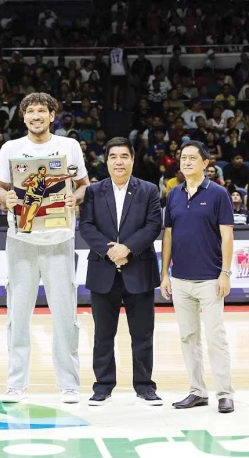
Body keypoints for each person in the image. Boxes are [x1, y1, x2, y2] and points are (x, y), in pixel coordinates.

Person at [0, 92, 90, 403]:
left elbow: (84, 184)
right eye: (30, 111)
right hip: (20, 239)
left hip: (60, 238)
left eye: (41, 111)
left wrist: (76, 198)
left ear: (52, 115)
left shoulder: (69, 146)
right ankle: (16, 383)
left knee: (65, 315)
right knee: (17, 315)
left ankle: (69, 384)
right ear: (23, 117)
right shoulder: (11, 148)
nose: (36, 116)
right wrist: (3, 198)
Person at [79, 137, 163, 406]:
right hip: (103, 271)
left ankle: (144, 385)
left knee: (142, 334)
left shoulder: (149, 190)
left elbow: (153, 226)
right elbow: (87, 226)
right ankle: (103, 385)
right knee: (103, 334)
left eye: (124, 156)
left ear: (132, 160)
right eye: (113, 156)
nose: (119, 161)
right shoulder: (93, 191)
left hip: (138, 270)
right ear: (106, 160)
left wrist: (127, 248)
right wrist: (110, 250)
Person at [160, 140, 235, 414]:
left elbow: (227, 235)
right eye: (183, 158)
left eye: (193, 158)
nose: (187, 162)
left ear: (206, 163)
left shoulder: (218, 194)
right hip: (180, 279)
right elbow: (168, 235)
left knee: (215, 336)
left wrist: (225, 273)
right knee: (188, 337)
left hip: (210, 279)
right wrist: (164, 274)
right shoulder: (173, 194)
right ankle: (197, 391)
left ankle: (225, 393)